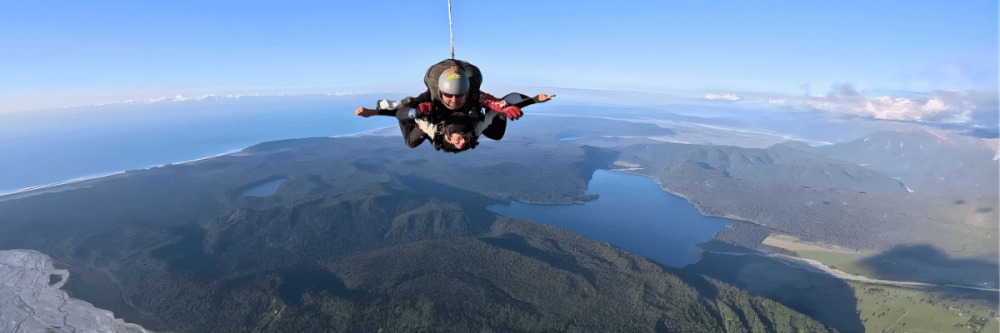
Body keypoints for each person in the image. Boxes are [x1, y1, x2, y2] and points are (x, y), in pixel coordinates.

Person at [355, 59, 552, 153]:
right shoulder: (434, 101)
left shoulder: (434, 121)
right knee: (497, 133)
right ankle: (411, 106)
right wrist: (533, 100)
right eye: (449, 96)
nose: (454, 101)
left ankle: (411, 109)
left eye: (459, 96)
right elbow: (493, 109)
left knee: (411, 140)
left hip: (432, 123)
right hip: (436, 116)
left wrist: (414, 113)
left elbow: (400, 114)